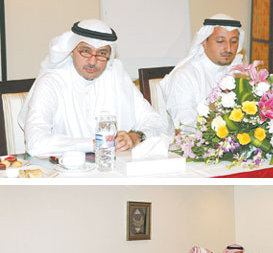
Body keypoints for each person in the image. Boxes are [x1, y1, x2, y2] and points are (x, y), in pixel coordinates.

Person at [19, 19, 173, 157]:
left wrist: (135, 137)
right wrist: (96, 144)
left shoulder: (116, 75)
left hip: (115, 167)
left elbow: (158, 123)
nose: (93, 62)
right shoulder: (51, 82)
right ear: (72, 50)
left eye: (101, 53)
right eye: (86, 51)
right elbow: (36, 143)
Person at [160, 13, 245, 131]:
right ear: (204, 42)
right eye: (220, 41)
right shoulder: (184, 76)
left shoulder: (239, 72)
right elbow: (186, 126)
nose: (229, 48)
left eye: (234, 41)